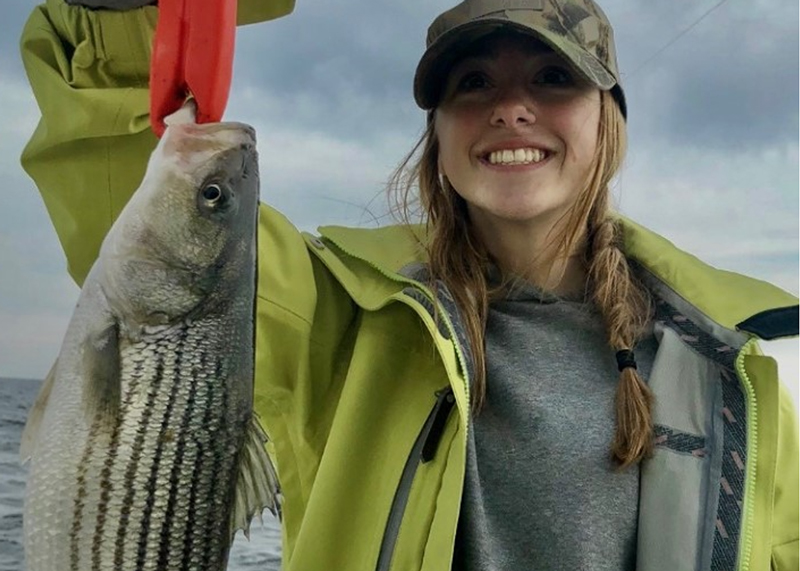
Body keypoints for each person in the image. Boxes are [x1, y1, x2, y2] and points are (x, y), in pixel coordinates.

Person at [19, 0, 799, 569]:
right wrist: (120, 24)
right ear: (439, 136)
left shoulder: (729, 371)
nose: (512, 107)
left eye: (554, 78)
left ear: (607, 124)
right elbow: (134, 191)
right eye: (474, 82)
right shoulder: (342, 309)